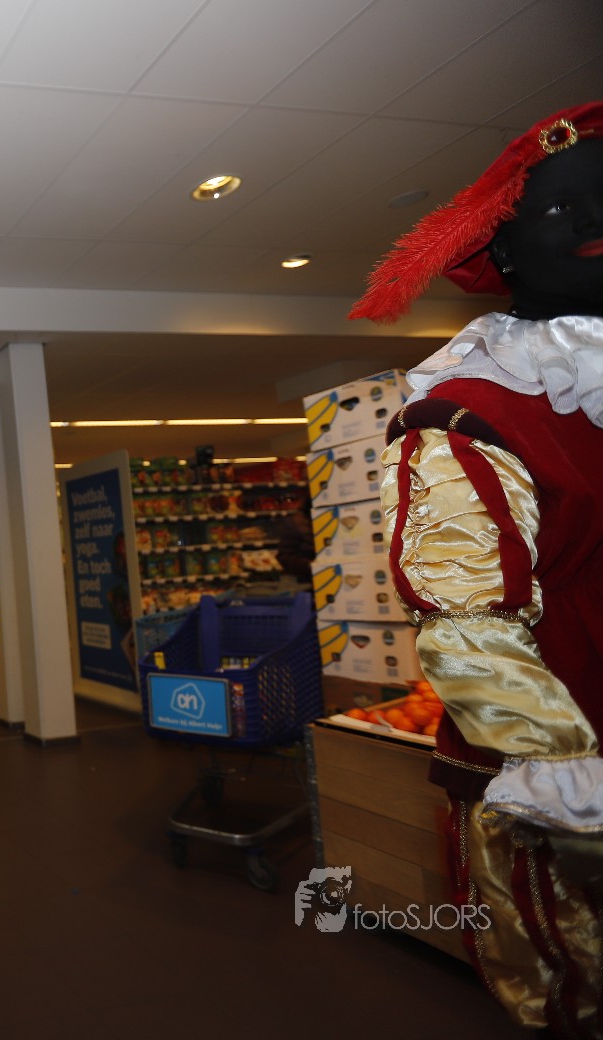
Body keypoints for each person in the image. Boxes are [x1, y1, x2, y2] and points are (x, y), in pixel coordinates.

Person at [351, 101, 602, 1037]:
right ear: (503, 252)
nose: (592, 222)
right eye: (560, 208)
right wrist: (565, 777)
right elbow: (469, 624)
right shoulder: (467, 413)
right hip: (568, 753)